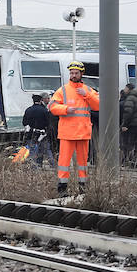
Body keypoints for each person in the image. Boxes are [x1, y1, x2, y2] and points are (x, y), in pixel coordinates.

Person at [48, 61, 100, 197]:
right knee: (64, 162)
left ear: (81, 74)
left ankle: (83, 187)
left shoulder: (88, 90)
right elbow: (52, 107)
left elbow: (98, 106)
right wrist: (65, 109)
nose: (73, 75)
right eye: (71, 73)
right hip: (68, 132)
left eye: (76, 73)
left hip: (83, 132)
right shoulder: (63, 90)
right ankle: (62, 189)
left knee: (83, 163)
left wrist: (86, 95)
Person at [22, 93, 55, 169]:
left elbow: (24, 122)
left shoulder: (28, 110)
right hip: (43, 134)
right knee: (46, 150)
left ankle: (35, 167)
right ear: (40, 100)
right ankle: (53, 166)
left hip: (31, 134)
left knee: (33, 151)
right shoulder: (44, 110)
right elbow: (48, 123)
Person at [120, 84, 137, 167]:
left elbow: (128, 112)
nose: (124, 90)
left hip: (130, 126)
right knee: (136, 145)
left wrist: (124, 125)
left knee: (127, 144)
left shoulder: (130, 99)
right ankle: (135, 163)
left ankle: (127, 162)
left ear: (128, 89)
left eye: (125, 88)